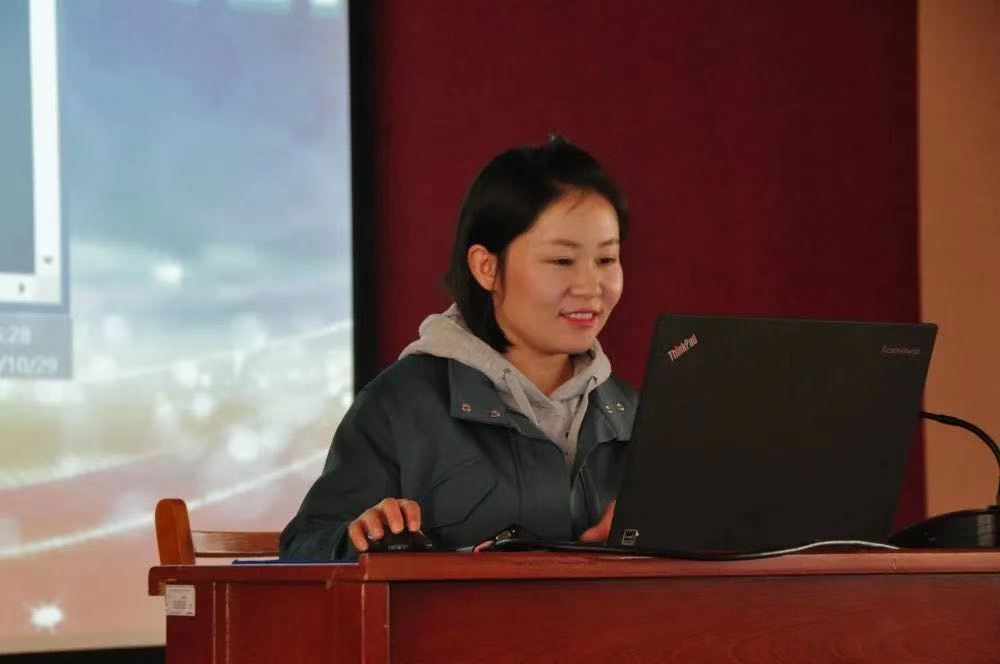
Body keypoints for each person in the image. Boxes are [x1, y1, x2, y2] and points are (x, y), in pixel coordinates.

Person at [279, 136, 636, 561]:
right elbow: (302, 550)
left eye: (606, 260)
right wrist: (359, 539)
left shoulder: (635, 416)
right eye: (562, 261)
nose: (591, 286)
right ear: (486, 267)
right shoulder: (400, 405)